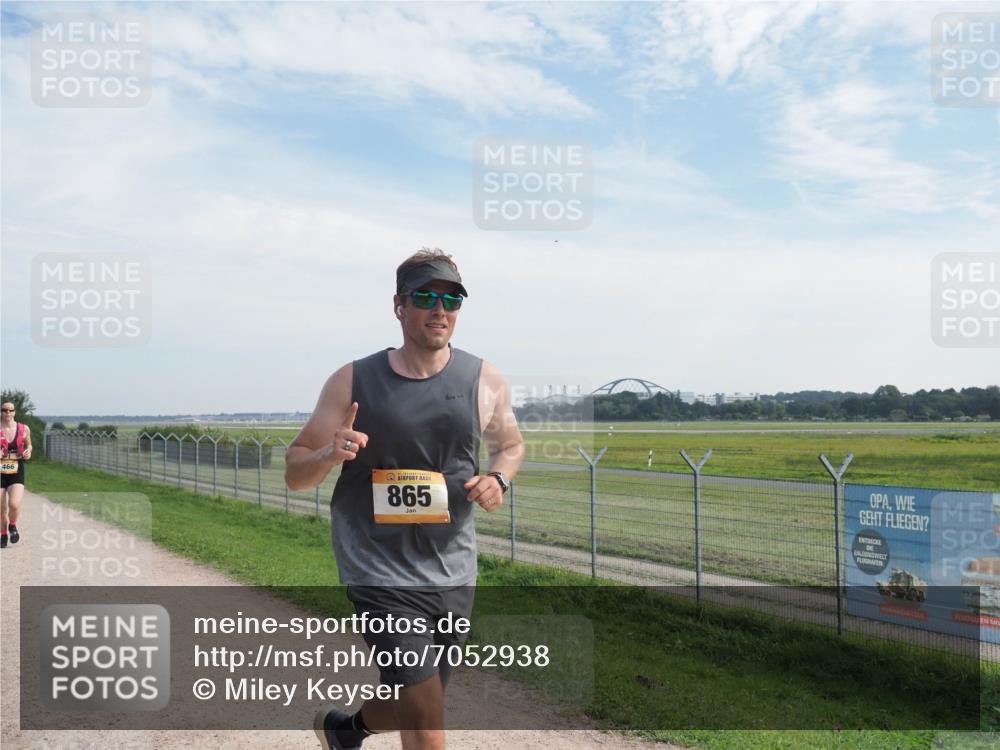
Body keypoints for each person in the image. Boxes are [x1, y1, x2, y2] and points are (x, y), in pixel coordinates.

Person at [285, 248, 524, 750]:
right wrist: (329, 453)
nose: (441, 309)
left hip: (453, 568)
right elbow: (295, 472)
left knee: (418, 697)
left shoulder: (485, 379)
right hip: (375, 566)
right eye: (426, 297)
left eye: (452, 299)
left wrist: (499, 480)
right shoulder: (353, 380)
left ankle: (346, 731)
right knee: (426, 708)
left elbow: (511, 445)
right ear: (400, 305)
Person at [1, 402, 33, 549]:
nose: (7, 412)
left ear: (14, 412)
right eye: (4, 410)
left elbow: (29, 445)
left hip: (17, 470)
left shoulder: (23, 428)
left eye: (10, 410)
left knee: (14, 504)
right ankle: (3, 534)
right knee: (1, 509)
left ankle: (12, 526)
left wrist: (28, 452)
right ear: (1, 412)